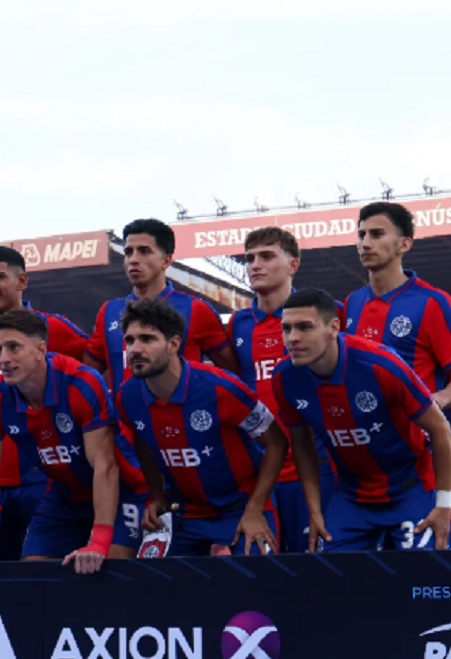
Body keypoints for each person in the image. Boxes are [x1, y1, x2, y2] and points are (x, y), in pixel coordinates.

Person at [0, 309, 146, 576]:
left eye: (13, 347)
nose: (3, 359)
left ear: (41, 349)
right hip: (64, 495)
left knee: (110, 572)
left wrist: (98, 542)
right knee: (35, 577)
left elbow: (105, 466)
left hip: (125, 490)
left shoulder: (82, 382)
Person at [272, 288, 451, 551]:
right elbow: (302, 445)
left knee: (422, 579)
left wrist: (444, 504)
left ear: (333, 327)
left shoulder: (381, 364)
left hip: (410, 489)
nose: (293, 338)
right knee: (333, 581)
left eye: (304, 327)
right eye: (286, 328)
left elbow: (440, 429)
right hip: (351, 496)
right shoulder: (284, 378)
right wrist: (314, 511)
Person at [344, 201, 451, 546]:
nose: (365, 243)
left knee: (428, 579)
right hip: (369, 467)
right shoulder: (352, 305)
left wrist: (432, 402)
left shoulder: (433, 302)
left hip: (422, 468)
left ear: (404, 244)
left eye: (376, 234)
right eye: (361, 235)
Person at [116, 298, 287, 557]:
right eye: (130, 340)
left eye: (147, 339)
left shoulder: (223, 388)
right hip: (185, 512)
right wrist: (157, 494)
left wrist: (254, 510)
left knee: (257, 589)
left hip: (242, 507)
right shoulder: (126, 398)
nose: (135, 349)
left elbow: (277, 443)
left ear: (174, 343)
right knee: (155, 587)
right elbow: (142, 441)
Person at [0, 246, 90, 560]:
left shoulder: (51, 327)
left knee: (41, 571)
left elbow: (93, 370)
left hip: (42, 477)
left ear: (22, 281)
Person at [226, 227, 337, 553]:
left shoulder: (325, 315)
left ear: (293, 265)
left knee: (317, 570)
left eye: (266, 256)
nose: (254, 265)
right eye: (249, 258)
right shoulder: (237, 325)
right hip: (261, 472)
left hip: (316, 468)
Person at [84, 218, 232, 397]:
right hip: (126, 423)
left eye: (144, 251)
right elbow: (84, 377)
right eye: (129, 252)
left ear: (166, 260)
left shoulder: (196, 309)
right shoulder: (108, 312)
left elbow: (233, 373)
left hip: (182, 422)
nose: (134, 259)